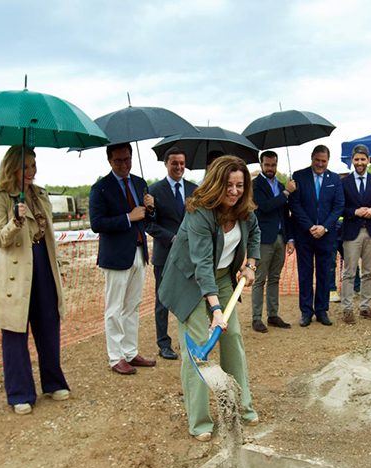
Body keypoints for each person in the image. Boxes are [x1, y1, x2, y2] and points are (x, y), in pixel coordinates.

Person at [158, 155, 260, 442]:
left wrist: (250, 264)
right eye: (229, 185)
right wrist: (216, 309)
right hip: (190, 281)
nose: (235, 191)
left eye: (240, 185)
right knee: (198, 347)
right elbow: (202, 264)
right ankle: (200, 421)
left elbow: (254, 233)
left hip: (224, 276)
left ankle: (242, 407)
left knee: (233, 338)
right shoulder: (199, 213)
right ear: (217, 183)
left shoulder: (244, 210)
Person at [0, 146, 68, 415]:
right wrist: (15, 221)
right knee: (15, 331)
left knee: (48, 324)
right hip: (15, 272)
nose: (33, 171)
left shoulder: (40, 194)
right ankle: (20, 392)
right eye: (27, 166)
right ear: (13, 168)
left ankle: (53, 382)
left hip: (42, 264)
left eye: (34, 165)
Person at [88, 143, 157, 375]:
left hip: (139, 252)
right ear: (109, 160)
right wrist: (127, 217)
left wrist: (151, 209)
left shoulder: (140, 183)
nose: (124, 164)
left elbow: (147, 220)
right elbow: (97, 224)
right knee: (114, 308)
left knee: (133, 305)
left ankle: (130, 351)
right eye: (119, 161)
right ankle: (115, 357)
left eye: (128, 159)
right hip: (116, 257)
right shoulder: (100, 188)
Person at [145, 147, 197, 360]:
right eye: (174, 163)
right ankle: (163, 344)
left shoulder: (195, 190)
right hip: (164, 254)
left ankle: (192, 339)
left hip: (191, 254)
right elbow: (149, 224)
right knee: (162, 300)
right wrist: (171, 238)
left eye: (182, 163)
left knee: (191, 297)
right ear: (166, 164)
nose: (179, 167)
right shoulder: (153, 190)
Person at [288, 144, 344, 327]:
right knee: (305, 274)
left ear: (328, 160)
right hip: (305, 235)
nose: (320, 164)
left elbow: (338, 206)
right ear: (312, 158)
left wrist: (324, 227)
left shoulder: (335, 179)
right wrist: (310, 226)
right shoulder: (299, 176)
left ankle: (322, 310)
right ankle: (306, 312)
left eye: (324, 161)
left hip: (326, 236)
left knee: (324, 274)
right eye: (317, 160)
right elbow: (295, 205)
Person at [340, 144, 371, 324]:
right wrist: (354, 212)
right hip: (352, 232)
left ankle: (365, 307)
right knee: (349, 273)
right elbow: (340, 208)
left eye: (363, 159)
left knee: (368, 272)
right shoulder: (344, 183)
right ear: (352, 161)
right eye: (356, 159)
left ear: (368, 160)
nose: (360, 162)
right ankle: (347, 309)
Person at [250, 150, 295, 333]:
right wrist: (285, 193)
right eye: (267, 165)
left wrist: (290, 238)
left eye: (273, 165)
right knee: (259, 279)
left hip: (280, 237)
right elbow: (266, 207)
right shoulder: (255, 185)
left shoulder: (282, 184)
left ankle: (273, 315)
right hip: (263, 238)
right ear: (261, 165)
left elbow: (286, 215)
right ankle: (256, 318)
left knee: (275, 278)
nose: (270, 168)